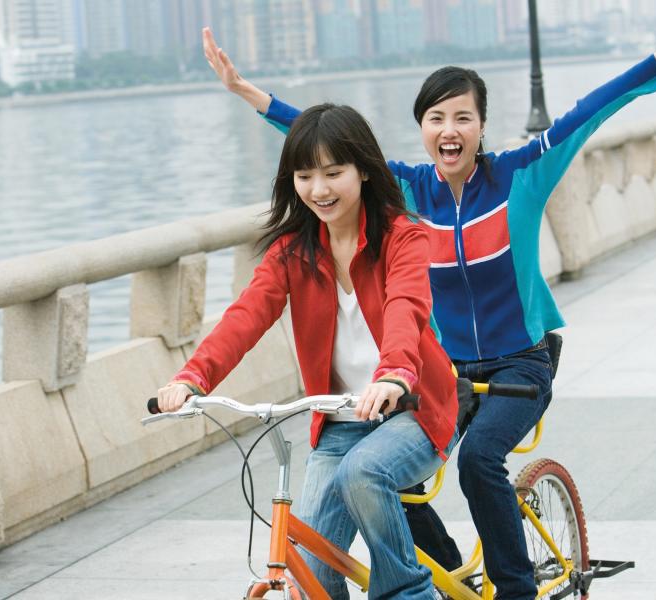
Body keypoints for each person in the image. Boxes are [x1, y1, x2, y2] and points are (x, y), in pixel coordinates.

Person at [200, 2, 656, 597]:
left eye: (463, 117)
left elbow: (584, 114)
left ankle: (513, 590)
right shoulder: (410, 191)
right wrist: (251, 95)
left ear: (481, 126)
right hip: (442, 371)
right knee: (384, 479)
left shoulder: (521, 175)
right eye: (436, 117)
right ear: (423, 128)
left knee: (478, 463)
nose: (449, 130)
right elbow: (328, 154)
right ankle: (442, 577)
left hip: (521, 365)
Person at [156, 103, 459, 599]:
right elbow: (246, 315)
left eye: (333, 173)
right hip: (337, 423)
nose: (319, 190)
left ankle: (409, 593)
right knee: (310, 574)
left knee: (366, 472)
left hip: (412, 411)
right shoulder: (292, 252)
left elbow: (407, 306)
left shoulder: (403, 237)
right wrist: (193, 378)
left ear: (363, 169)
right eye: (304, 175)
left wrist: (395, 373)